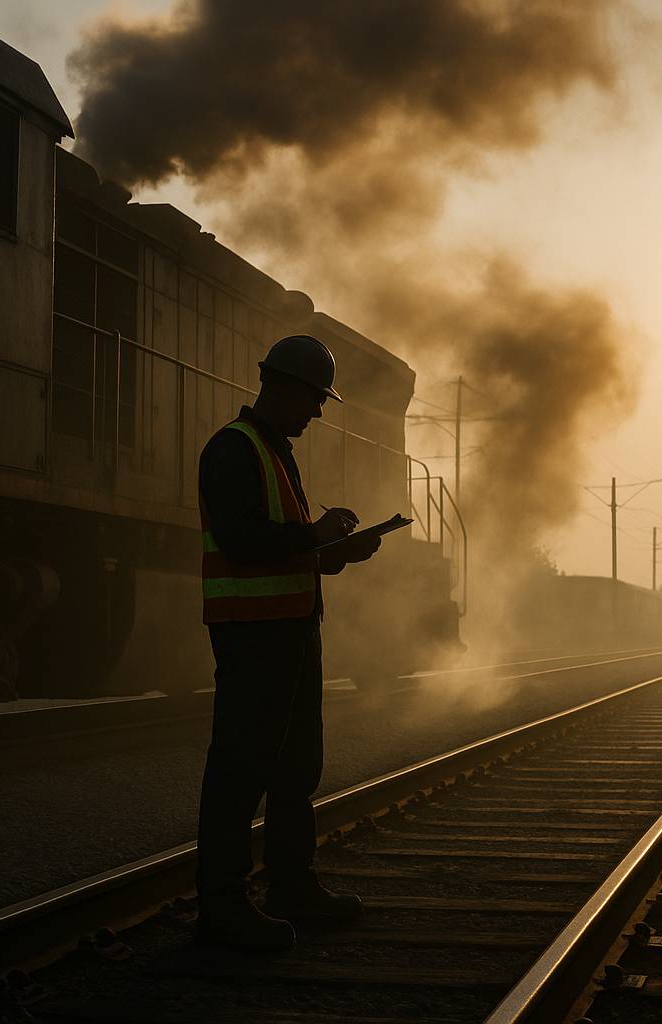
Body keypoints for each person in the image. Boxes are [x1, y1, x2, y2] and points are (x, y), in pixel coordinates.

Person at [194, 334, 383, 951]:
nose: (320, 411)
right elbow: (242, 540)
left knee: (295, 766)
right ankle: (223, 908)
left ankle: (292, 886)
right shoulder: (234, 448)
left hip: (292, 629)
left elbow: (282, 547)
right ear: (282, 387)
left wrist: (334, 551)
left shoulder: (274, 452)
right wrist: (313, 536)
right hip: (253, 634)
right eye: (315, 398)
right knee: (241, 768)